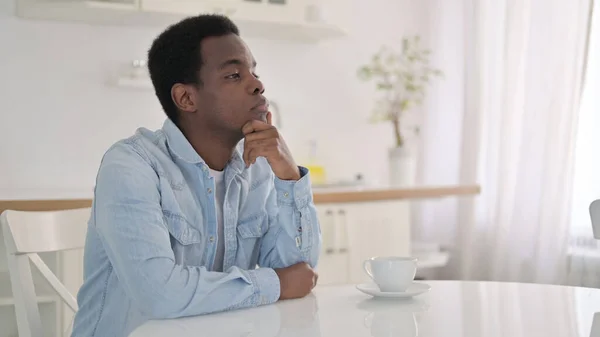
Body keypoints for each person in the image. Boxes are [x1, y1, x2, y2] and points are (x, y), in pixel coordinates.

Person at [71, 14, 321, 337]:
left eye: (254, 71)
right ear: (186, 98)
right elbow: (160, 294)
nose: (258, 84)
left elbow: (300, 272)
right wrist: (276, 283)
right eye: (234, 74)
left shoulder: (257, 167)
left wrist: (288, 176)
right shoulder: (131, 167)